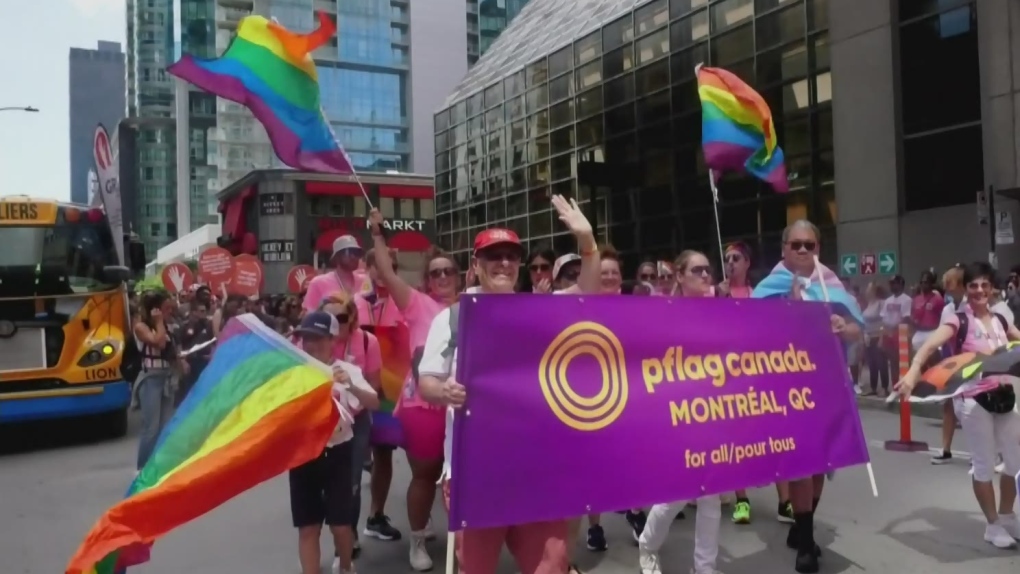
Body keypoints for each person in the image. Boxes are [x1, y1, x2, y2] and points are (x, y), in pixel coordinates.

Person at [417, 195, 600, 574]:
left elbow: (587, 290)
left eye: (511, 256)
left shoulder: (537, 310)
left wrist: (587, 243)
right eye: (493, 256)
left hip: (533, 468)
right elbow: (427, 383)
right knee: (479, 568)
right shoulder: (453, 318)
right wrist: (445, 392)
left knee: (551, 565)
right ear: (476, 264)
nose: (503, 263)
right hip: (476, 473)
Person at [751, 220, 862, 574]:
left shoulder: (832, 285)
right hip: (788, 389)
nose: (802, 251)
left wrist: (845, 329)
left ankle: (803, 526)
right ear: (783, 249)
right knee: (803, 464)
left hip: (828, 387)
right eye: (795, 244)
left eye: (809, 245)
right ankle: (807, 543)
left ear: (818, 250)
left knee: (821, 465)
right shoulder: (769, 288)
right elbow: (750, 335)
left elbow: (859, 330)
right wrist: (790, 311)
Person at [895, 261, 1020, 548]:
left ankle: (1007, 515)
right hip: (974, 402)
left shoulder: (1001, 320)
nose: (979, 291)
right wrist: (914, 372)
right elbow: (928, 347)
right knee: (984, 464)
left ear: (992, 288)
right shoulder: (958, 320)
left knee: (1015, 461)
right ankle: (992, 525)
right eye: (973, 285)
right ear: (966, 289)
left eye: (984, 285)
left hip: (1005, 397)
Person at [365, 209, 463, 570]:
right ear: (427, 279)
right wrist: (378, 235)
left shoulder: (474, 305)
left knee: (462, 476)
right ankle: (417, 540)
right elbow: (387, 273)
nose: (441, 277)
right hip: (423, 406)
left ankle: (468, 538)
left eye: (447, 271)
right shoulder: (416, 303)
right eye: (434, 272)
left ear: (459, 276)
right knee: (425, 474)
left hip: (466, 406)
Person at [637, 250, 723, 574]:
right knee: (677, 493)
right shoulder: (664, 314)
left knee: (711, 495)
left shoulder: (724, 311)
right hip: (679, 414)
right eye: (697, 270)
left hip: (715, 413)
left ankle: (705, 568)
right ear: (680, 277)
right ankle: (647, 546)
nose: (705, 275)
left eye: (707, 270)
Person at [290, 311, 379, 574]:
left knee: (340, 525)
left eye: (317, 338)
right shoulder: (295, 373)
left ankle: (345, 565)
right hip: (304, 455)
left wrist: (350, 385)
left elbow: (373, 401)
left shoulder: (347, 370)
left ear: (333, 339)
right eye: (306, 338)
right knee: (308, 525)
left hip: (339, 452)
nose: (311, 344)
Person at [318, 291, 383, 563]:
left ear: (352, 317)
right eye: (327, 318)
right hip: (320, 424)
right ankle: (320, 539)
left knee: (351, 483)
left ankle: (347, 540)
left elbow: (375, 389)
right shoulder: (314, 342)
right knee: (319, 484)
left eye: (341, 318)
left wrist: (351, 389)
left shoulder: (367, 342)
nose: (334, 323)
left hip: (355, 421)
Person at [132, 290, 182, 471]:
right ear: (155, 310)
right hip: (151, 378)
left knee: (164, 426)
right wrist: (159, 322)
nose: (169, 311)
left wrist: (180, 360)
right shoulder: (141, 327)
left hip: (166, 376)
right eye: (165, 308)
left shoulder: (166, 325)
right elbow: (158, 343)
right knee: (150, 428)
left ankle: (160, 466)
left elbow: (169, 349)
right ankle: (141, 468)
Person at [304, 235, 367, 313]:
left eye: (357, 253)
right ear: (336, 257)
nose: (353, 256)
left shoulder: (366, 280)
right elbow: (309, 316)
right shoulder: (318, 283)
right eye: (348, 252)